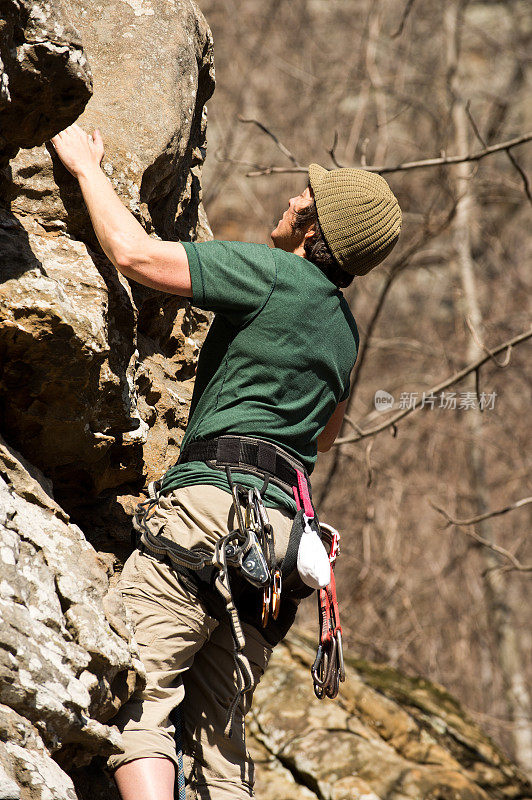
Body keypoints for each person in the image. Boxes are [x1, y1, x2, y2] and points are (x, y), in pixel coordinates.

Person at [51, 124, 401, 800]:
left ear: (313, 227)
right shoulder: (344, 333)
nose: (294, 196)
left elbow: (135, 255)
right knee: (221, 750)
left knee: (136, 701)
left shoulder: (273, 274)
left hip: (212, 512)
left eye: (307, 196)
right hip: (280, 550)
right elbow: (323, 438)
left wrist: (87, 167)